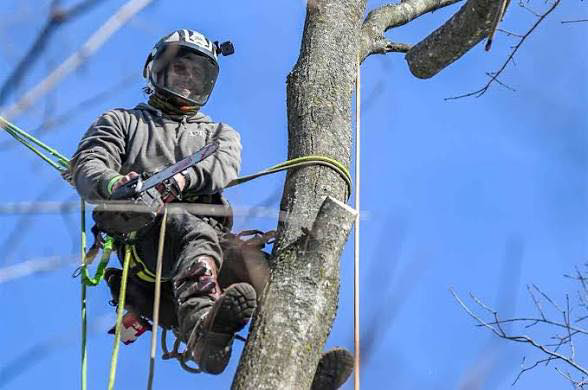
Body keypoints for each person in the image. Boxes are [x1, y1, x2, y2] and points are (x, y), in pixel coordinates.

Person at [71, 28, 353, 387]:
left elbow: (222, 166)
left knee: (265, 272)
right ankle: (203, 332)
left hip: (210, 240)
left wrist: (181, 181)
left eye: (198, 74)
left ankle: (302, 362)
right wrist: (114, 184)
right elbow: (89, 162)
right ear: (158, 70)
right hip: (148, 242)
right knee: (190, 231)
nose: (188, 80)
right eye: (181, 69)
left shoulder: (218, 134)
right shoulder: (123, 122)